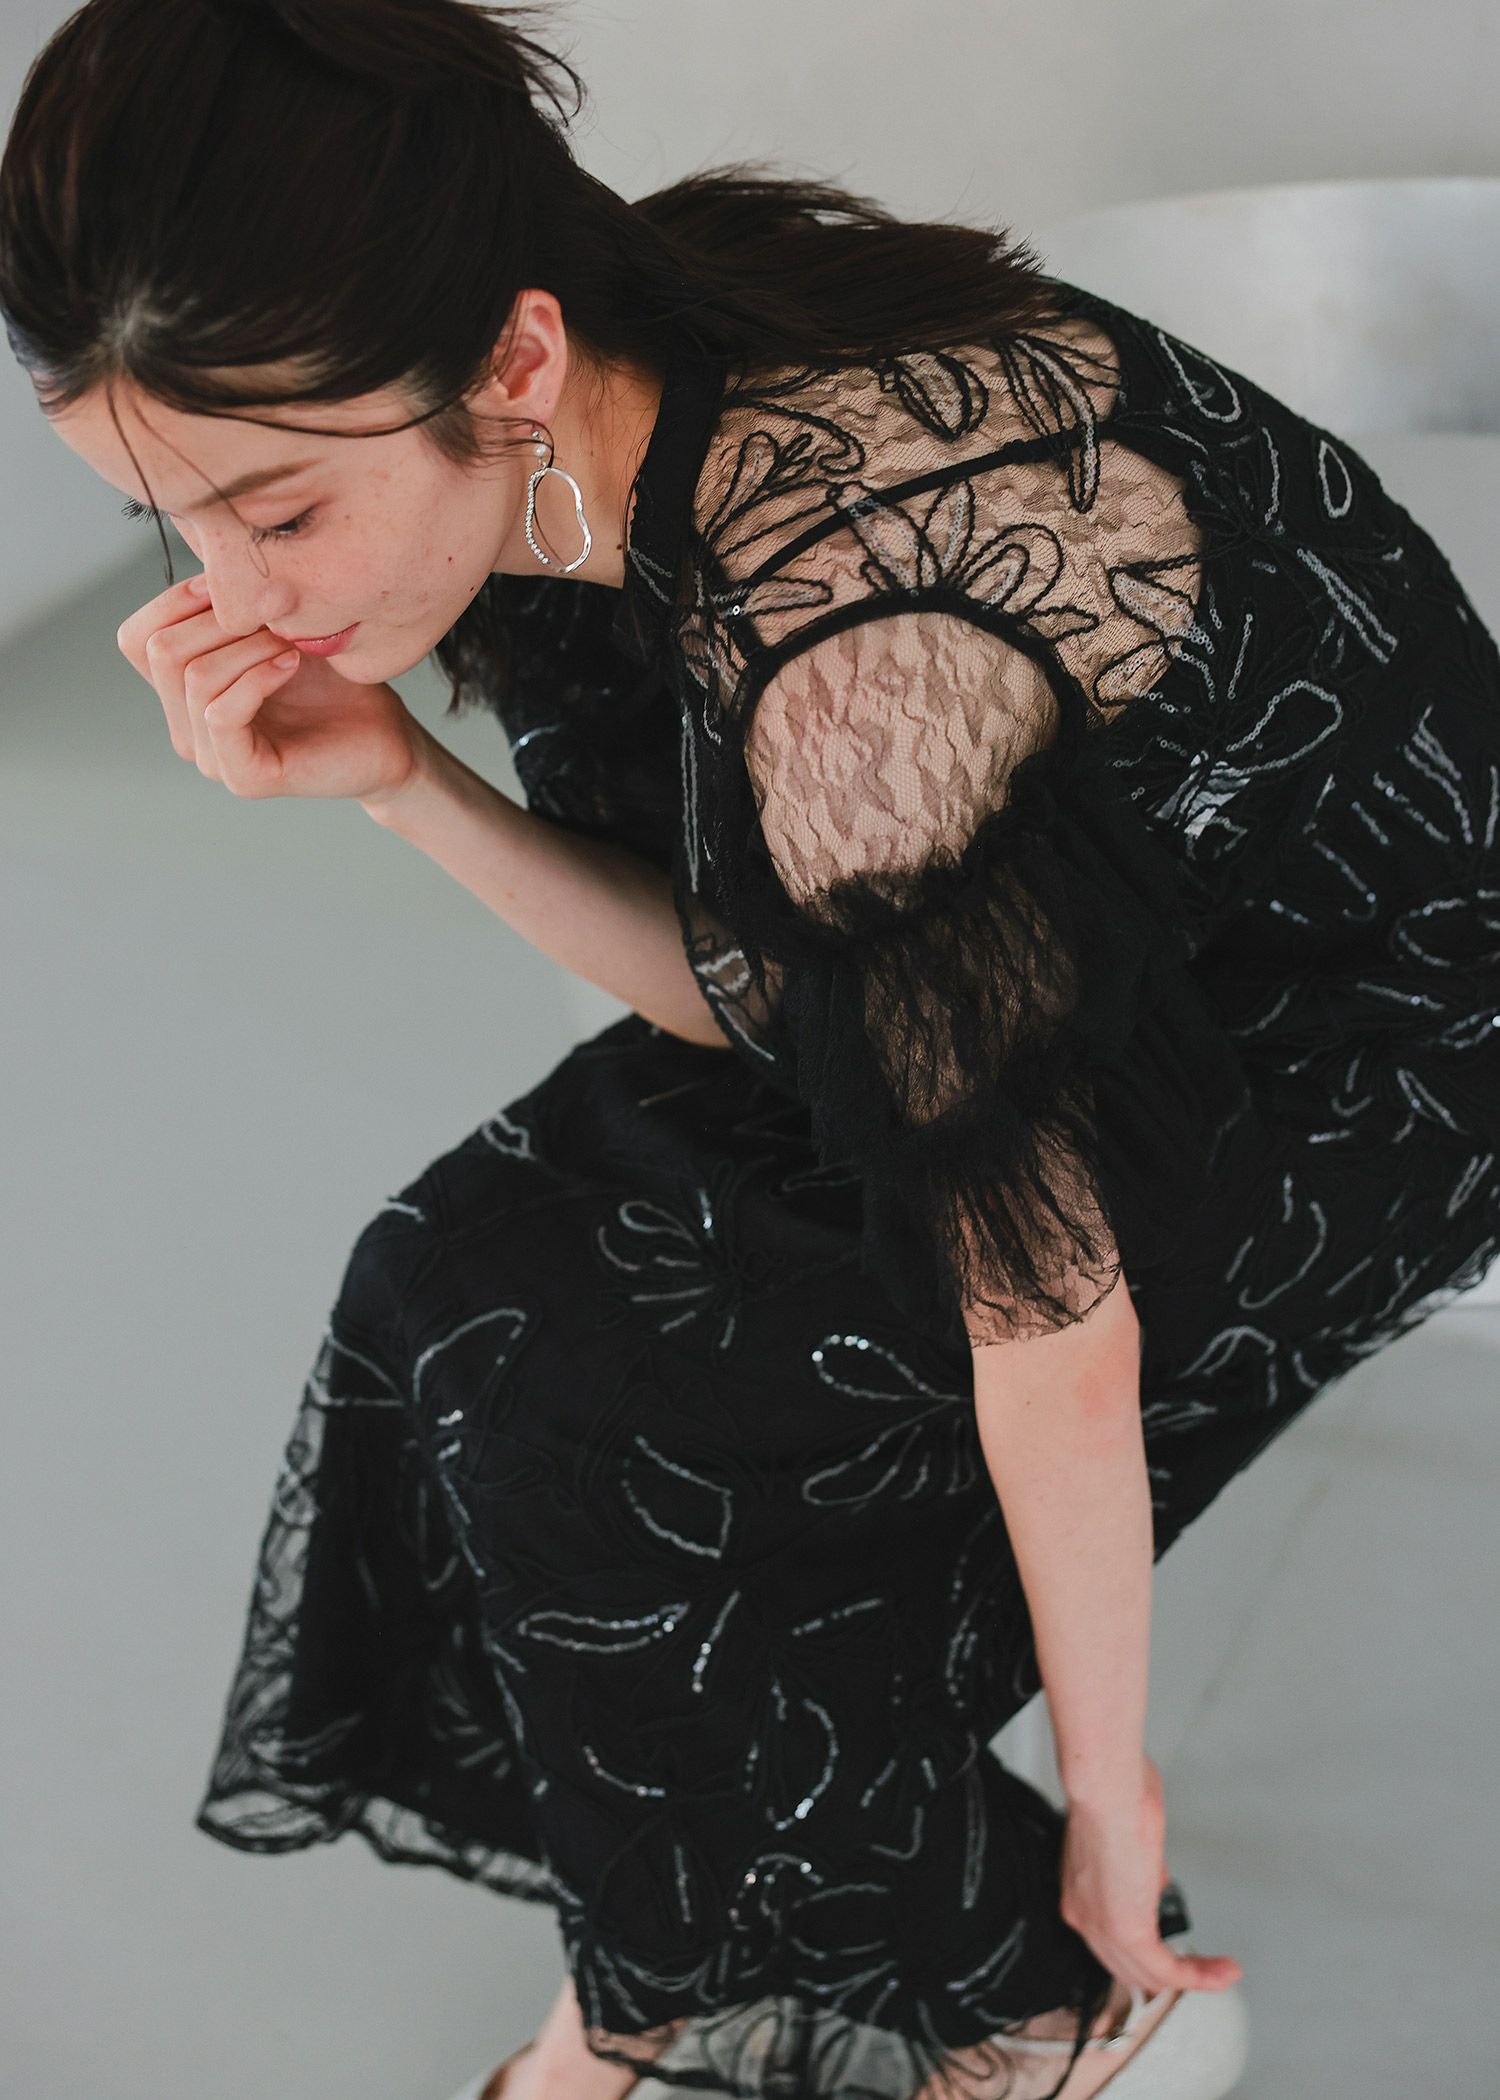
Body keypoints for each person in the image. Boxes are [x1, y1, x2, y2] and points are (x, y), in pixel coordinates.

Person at [5, 2, 1497, 2096]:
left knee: (643, 1457)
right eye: (177, 526)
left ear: (508, 365)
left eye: (283, 511)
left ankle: (1051, 2006)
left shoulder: (852, 658)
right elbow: (760, 978)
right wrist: (403, 783)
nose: (244, 596)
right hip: (1008, 975)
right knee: (446, 1291)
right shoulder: (587, 400)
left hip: (1340, 1038)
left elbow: (1053, 1332)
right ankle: (668, 1975)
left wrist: (1109, 1796)